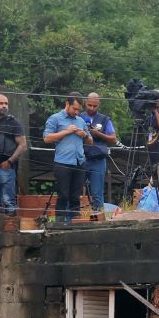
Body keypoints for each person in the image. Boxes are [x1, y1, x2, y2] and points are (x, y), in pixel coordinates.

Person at [42, 95, 90, 225]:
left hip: (79, 162)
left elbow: (90, 141)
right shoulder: (55, 118)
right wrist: (66, 132)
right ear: (67, 104)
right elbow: (46, 138)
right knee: (63, 194)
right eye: (74, 108)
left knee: (76, 195)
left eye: (79, 110)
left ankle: (75, 222)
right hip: (62, 162)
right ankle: (59, 223)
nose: (76, 112)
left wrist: (85, 135)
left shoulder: (81, 121)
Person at [81, 91, 118, 213]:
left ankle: (98, 218)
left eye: (95, 106)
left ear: (99, 104)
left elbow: (113, 139)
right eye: (89, 105)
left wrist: (98, 134)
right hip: (80, 158)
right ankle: (74, 217)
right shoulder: (78, 117)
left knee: (97, 193)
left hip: (98, 160)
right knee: (75, 190)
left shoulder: (105, 119)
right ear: (85, 102)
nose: (92, 108)